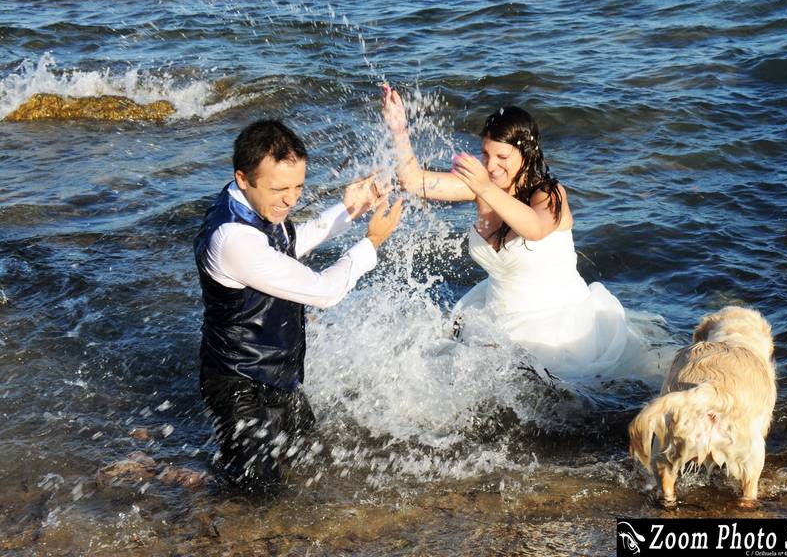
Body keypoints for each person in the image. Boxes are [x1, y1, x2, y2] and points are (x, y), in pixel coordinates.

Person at [382, 84, 656, 383]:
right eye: (486, 155)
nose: (491, 166)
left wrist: (484, 186)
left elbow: (535, 229)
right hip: (495, 318)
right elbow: (413, 181)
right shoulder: (483, 188)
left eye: (502, 157)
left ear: (526, 153)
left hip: (556, 325)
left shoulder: (550, 195)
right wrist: (399, 130)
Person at [194, 119, 403, 490]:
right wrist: (372, 241)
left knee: (310, 465)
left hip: (279, 377)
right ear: (243, 178)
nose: (291, 199)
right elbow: (325, 292)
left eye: (298, 186)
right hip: (239, 385)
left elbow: (287, 245)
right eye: (280, 189)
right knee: (256, 499)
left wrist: (348, 210)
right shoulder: (233, 239)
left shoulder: (253, 205)